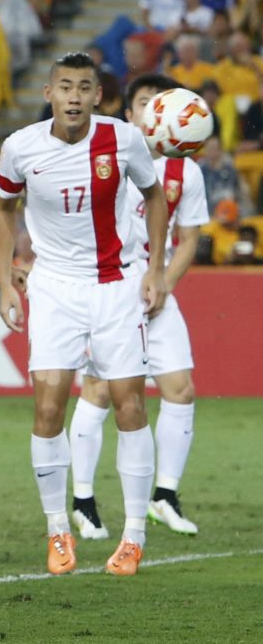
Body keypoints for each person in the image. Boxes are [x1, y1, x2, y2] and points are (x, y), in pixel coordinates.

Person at [0, 52, 170, 577]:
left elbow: (155, 197)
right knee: (48, 407)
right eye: (64, 86)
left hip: (116, 285)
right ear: (48, 94)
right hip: (53, 287)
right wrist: (5, 278)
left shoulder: (124, 139)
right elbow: (2, 209)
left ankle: (133, 536)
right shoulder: (20, 147)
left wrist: (154, 269)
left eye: (84, 87)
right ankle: (58, 530)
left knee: (129, 405)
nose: (74, 96)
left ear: (98, 96)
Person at [68, 75, 209, 538]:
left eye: (164, 105)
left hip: (157, 291)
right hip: (110, 291)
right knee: (101, 391)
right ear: (130, 115)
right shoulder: (103, 160)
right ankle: (83, 501)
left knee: (181, 389)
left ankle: (164, 496)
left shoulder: (184, 171)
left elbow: (188, 238)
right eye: (147, 105)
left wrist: (163, 283)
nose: (157, 114)